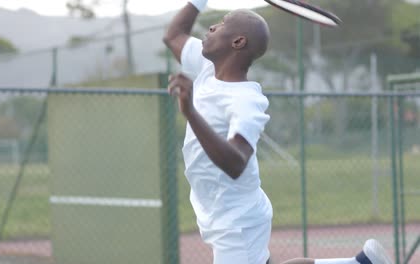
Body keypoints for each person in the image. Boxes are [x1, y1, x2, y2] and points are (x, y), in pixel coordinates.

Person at [163, 1, 393, 264]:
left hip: (237, 223)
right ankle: (361, 263)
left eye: (223, 23)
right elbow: (173, 36)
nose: (212, 26)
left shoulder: (246, 100)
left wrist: (190, 112)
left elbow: (237, 161)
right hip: (216, 210)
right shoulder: (206, 71)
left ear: (238, 41)